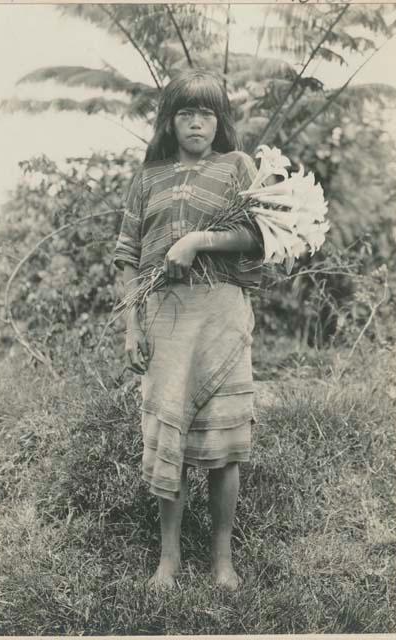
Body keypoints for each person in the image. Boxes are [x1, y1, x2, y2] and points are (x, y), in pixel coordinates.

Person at [114, 70, 264, 591]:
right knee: (166, 436)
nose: (195, 122)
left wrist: (199, 239)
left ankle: (222, 560)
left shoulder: (237, 167)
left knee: (225, 440)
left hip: (221, 313)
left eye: (205, 112)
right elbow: (127, 256)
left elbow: (258, 234)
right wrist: (132, 327)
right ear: (170, 121)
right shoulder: (147, 177)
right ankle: (169, 558)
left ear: (219, 119)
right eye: (184, 112)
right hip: (164, 317)